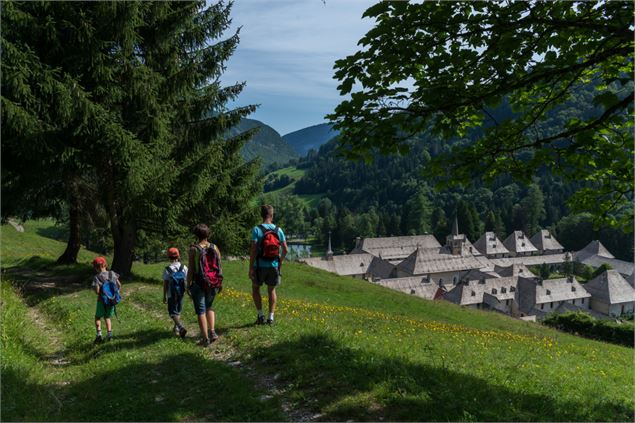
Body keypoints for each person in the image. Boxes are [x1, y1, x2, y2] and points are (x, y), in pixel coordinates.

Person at [249, 204, 288, 325]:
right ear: (271, 215)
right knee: (271, 290)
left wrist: (251, 267)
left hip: (259, 265)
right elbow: (285, 249)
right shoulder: (278, 230)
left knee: (256, 288)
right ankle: (271, 318)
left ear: (262, 215)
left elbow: (254, 249)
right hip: (273, 266)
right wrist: (279, 262)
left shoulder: (257, 229)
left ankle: (260, 316)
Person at [187, 224, 221, 346]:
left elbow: (191, 269)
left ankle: (205, 339)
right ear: (208, 234)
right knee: (209, 307)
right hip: (213, 282)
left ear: (196, 235)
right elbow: (219, 266)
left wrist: (188, 284)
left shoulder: (194, 249)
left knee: (201, 311)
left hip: (199, 282)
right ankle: (212, 332)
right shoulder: (215, 247)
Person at [92, 256, 121, 343]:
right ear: (105, 265)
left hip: (101, 301)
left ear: (96, 268)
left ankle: (99, 335)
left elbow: (97, 291)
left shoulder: (97, 277)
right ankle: (109, 334)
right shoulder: (112, 273)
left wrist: (95, 290)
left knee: (97, 317)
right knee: (107, 317)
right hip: (111, 301)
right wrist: (115, 294)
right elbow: (119, 285)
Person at [162, 247, 188, 338]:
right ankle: (176, 328)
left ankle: (180, 327)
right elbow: (187, 280)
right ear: (178, 255)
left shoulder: (167, 269)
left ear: (168, 257)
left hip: (171, 293)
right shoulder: (184, 267)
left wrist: (164, 295)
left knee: (172, 312)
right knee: (178, 310)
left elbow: (165, 284)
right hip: (181, 292)